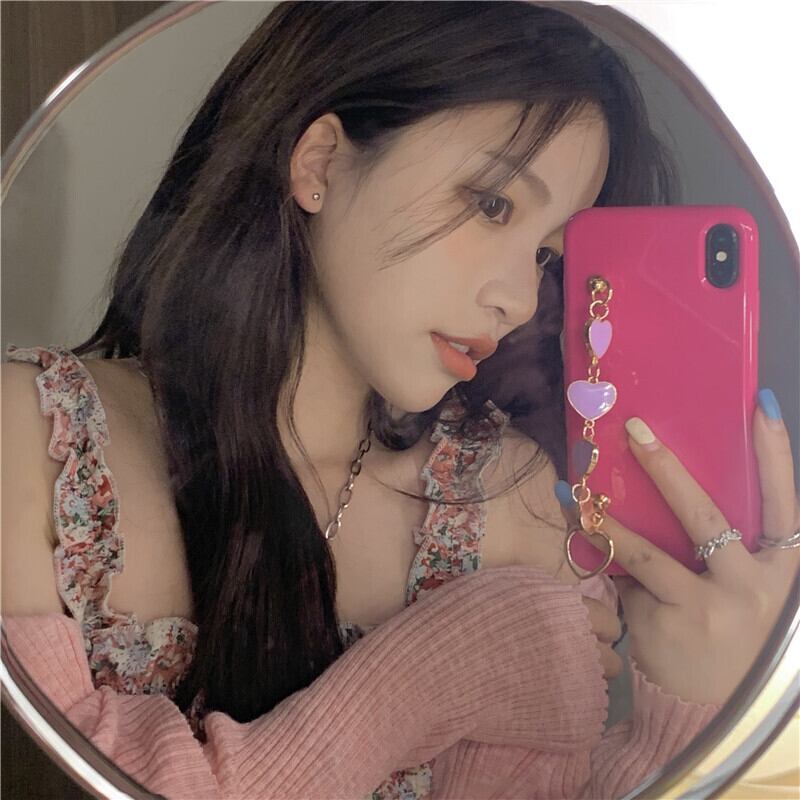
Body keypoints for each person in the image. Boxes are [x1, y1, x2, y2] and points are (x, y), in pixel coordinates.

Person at [2, 2, 798, 798]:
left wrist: (687, 719)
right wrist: (438, 669)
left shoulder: (513, 505)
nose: (519, 300)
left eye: (546, 255)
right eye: (492, 204)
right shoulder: (33, 445)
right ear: (319, 163)